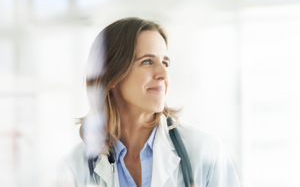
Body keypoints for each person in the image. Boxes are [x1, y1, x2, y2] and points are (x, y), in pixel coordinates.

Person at [57, 17, 241, 187]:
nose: (163, 74)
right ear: (111, 76)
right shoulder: (74, 168)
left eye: (165, 63)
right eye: (147, 62)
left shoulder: (206, 153)